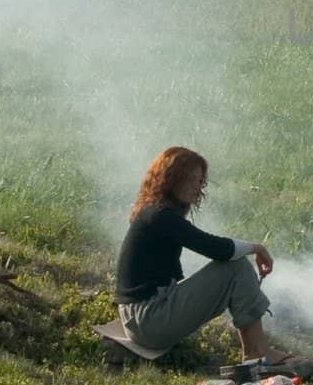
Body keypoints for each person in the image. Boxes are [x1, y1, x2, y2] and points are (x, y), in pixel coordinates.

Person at [114, 146, 292, 363]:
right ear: (171, 178)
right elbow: (218, 249)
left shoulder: (157, 214)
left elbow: (175, 273)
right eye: (189, 179)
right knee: (235, 266)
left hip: (143, 318)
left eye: (199, 181)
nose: (196, 187)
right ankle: (258, 352)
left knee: (233, 268)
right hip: (147, 320)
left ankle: (254, 352)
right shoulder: (160, 217)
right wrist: (257, 248)